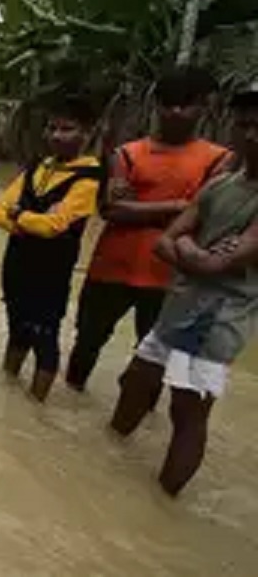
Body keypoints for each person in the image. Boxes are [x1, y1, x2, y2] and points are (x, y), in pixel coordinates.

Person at [107, 88, 258, 496]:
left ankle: (163, 502)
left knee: (188, 409)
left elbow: (216, 262)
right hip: (181, 304)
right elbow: (166, 242)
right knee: (136, 380)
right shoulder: (223, 184)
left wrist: (190, 249)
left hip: (219, 317)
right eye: (245, 125)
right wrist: (194, 249)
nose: (252, 135)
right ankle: (104, 466)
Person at [65, 68, 231, 391]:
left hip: (169, 275)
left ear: (202, 108)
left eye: (186, 105)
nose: (176, 113)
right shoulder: (128, 153)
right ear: (157, 106)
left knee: (153, 361)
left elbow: (206, 216)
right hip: (111, 267)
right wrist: (179, 206)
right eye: (168, 104)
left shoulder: (218, 160)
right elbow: (112, 210)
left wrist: (141, 208)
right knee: (85, 345)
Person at [0, 96, 102, 402]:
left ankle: (36, 405)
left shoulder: (89, 178)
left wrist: (18, 215)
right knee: (17, 330)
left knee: (45, 339)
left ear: (86, 134)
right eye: (52, 128)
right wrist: (27, 221)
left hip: (51, 273)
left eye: (67, 129)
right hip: (17, 265)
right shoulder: (38, 168)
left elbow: (53, 227)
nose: (56, 136)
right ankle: (9, 396)